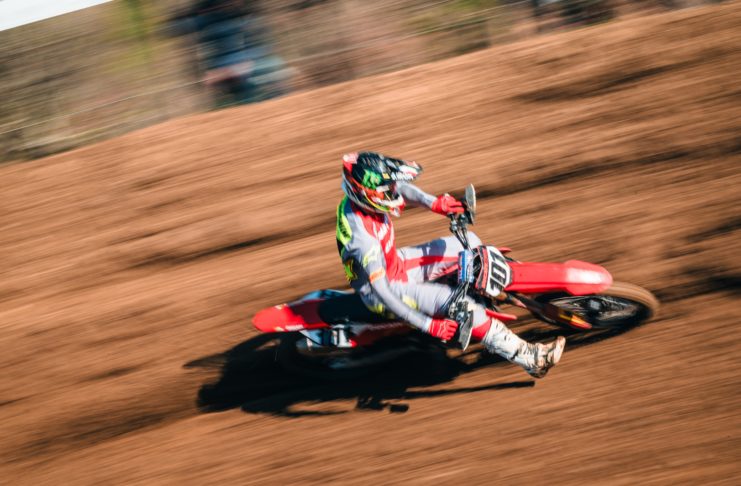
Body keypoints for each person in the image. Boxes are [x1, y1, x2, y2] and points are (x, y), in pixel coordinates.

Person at [336, 151, 566, 378]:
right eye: (387, 191)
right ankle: (530, 358)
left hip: (395, 264)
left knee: (471, 243)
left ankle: (512, 287)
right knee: (461, 306)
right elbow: (383, 292)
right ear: (366, 194)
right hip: (385, 291)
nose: (393, 193)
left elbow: (401, 189)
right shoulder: (362, 240)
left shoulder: (366, 202)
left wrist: (435, 203)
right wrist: (429, 325)